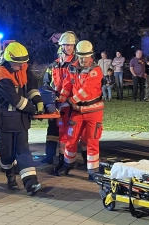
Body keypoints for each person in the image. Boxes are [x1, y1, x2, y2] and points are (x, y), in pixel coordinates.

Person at [0, 42, 44, 195]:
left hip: (20, 119)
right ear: (8, 60)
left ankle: (31, 184)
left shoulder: (23, 69)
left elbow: (32, 87)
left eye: (22, 63)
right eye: (17, 63)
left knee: (23, 151)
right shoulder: (2, 75)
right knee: (6, 153)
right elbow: (15, 100)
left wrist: (38, 101)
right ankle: (10, 176)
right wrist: (34, 109)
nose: (20, 66)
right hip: (4, 119)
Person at [55, 40, 104, 177]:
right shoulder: (72, 68)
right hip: (77, 111)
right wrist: (61, 100)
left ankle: (93, 171)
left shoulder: (95, 71)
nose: (83, 59)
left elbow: (85, 91)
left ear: (91, 55)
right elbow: (67, 86)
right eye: (81, 56)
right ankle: (67, 164)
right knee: (71, 139)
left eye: (86, 56)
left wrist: (70, 101)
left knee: (92, 141)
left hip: (93, 111)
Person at [42, 31, 78, 165]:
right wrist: (49, 96)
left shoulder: (75, 64)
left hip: (69, 103)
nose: (69, 48)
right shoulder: (53, 65)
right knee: (52, 129)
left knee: (68, 131)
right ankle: (49, 155)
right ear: (61, 47)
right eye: (66, 45)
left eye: (71, 45)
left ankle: (66, 159)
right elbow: (46, 82)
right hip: (55, 101)